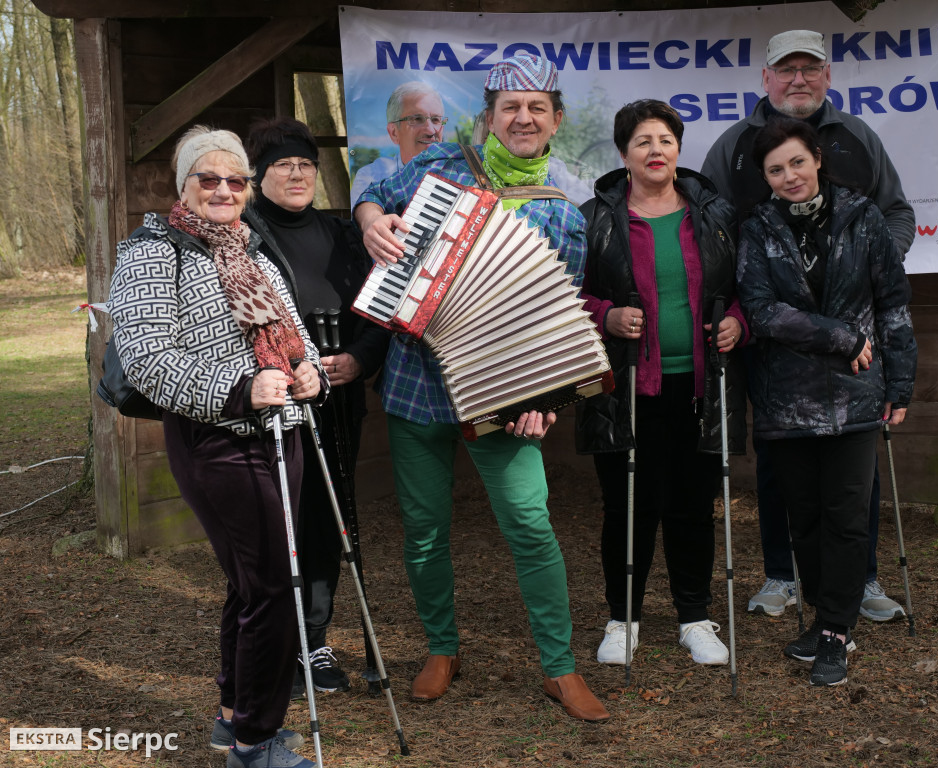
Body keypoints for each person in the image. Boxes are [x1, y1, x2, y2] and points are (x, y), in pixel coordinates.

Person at [354, 52, 609, 723]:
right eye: (510, 107)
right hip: (416, 382)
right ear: (490, 117)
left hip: (504, 394)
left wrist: (545, 400)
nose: (522, 118)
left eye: (536, 108)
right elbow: (373, 195)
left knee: (530, 524)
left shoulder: (565, 213)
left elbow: (559, 319)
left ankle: (560, 668)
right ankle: (442, 649)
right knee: (425, 529)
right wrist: (371, 222)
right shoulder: (439, 168)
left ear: (554, 121)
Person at [108, 125, 325, 767]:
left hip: (279, 432)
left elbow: (291, 334)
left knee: (251, 586)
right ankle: (258, 744)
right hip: (218, 439)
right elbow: (147, 359)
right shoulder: (152, 251)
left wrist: (307, 369)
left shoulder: (252, 250)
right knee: (276, 592)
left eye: (237, 180)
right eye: (210, 179)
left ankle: (234, 720)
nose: (225, 190)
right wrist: (240, 390)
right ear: (185, 186)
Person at [701, 29, 915, 622]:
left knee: (856, 470)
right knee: (779, 462)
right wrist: (744, 291)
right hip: (773, 341)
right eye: (786, 69)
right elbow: (711, 227)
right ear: (765, 79)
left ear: (827, 75)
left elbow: (895, 212)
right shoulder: (735, 146)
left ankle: (862, 579)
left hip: (855, 347)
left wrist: (874, 264)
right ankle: (780, 575)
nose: (799, 78)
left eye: (810, 68)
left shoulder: (857, 137)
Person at [737, 116, 917, 685]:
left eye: (796, 162)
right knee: (805, 520)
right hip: (786, 401)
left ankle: (837, 630)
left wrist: (901, 382)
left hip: (858, 399)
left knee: (846, 517)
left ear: (816, 158)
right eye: (775, 169)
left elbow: (892, 302)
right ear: (764, 178)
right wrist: (844, 337)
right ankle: (821, 614)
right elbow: (761, 311)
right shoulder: (758, 228)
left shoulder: (864, 218)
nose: (789, 176)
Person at [577, 99, 747, 668]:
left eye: (666, 140)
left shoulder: (715, 213)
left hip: (700, 386)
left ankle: (694, 618)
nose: (656, 151)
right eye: (643, 141)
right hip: (624, 387)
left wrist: (737, 322)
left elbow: (748, 286)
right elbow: (565, 294)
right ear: (624, 154)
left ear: (679, 149)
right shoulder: (596, 217)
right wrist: (605, 315)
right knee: (629, 505)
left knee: (692, 505)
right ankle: (622, 620)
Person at [243, 117, 390, 698]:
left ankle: (315, 637)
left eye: (305, 163)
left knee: (331, 517)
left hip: (338, 395)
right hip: (272, 403)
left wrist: (357, 360)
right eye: (283, 164)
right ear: (259, 175)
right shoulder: (245, 238)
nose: (298, 173)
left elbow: (379, 310)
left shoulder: (341, 232)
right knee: (284, 518)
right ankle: (279, 637)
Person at [350, 82, 446, 202]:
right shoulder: (371, 177)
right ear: (394, 133)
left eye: (436, 120)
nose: (431, 131)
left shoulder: (461, 173)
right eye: (417, 119)